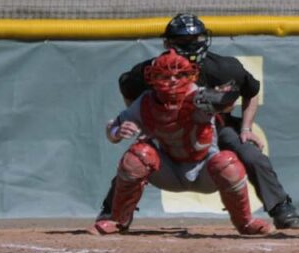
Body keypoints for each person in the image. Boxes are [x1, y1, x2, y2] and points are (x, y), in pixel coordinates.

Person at [95, 13, 299, 231]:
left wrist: (246, 128)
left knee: (249, 154)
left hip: (215, 125)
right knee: (137, 157)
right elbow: (128, 92)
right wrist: (142, 123)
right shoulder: (150, 73)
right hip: (167, 128)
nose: (172, 80)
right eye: (182, 41)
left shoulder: (223, 69)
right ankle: (113, 213)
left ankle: (280, 208)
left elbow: (250, 91)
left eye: (195, 40)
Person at [96, 51, 272, 236]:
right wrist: (118, 131)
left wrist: (225, 94)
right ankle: (118, 220)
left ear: (190, 76)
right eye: (165, 76)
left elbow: (227, 102)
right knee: (138, 156)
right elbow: (112, 129)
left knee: (226, 162)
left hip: (204, 170)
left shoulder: (200, 96)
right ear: (153, 78)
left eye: (179, 76)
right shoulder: (145, 102)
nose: (172, 81)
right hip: (168, 170)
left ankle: (245, 222)